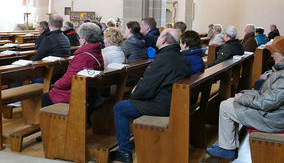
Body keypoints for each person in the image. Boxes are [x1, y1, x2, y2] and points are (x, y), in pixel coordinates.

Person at [109, 28, 191, 163]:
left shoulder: (164, 59)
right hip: (173, 101)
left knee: (120, 108)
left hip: (163, 105)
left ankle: (124, 152)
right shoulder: (178, 56)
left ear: (164, 40)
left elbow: (145, 89)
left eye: (159, 37)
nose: (157, 38)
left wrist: (134, 93)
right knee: (128, 103)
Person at [206, 36, 284, 161]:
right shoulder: (280, 70)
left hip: (273, 119)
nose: (271, 56)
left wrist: (243, 98)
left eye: (274, 53)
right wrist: (245, 94)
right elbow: (268, 96)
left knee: (226, 106)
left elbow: (267, 103)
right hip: (274, 113)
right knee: (228, 102)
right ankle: (228, 146)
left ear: (282, 56)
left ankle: (228, 149)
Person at [41, 22, 104, 107]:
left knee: (45, 97)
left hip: (76, 95)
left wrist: (55, 84)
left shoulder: (82, 57)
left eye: (80, 38)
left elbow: (68, 81)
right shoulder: (97, 52)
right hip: (89, 92)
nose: (79, 40)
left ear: (84, 40)